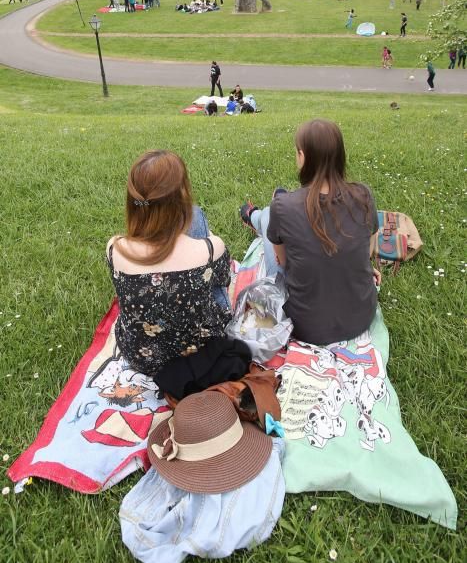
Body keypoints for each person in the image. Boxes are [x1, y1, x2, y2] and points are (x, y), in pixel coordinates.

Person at [240, 119, 381, 345]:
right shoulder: (363, 195)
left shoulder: (284, 207)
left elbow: (283, 263)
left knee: (269, 217)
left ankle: (254, 216)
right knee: (275, 211)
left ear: (303, 156)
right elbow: (368, 247)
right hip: (361, 316)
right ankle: (256, 215)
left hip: (307, 326)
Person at [106, 150, 239, 388]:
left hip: (142, 357)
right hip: (201, 351)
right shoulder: (211, 249)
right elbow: (222, 281)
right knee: (197, 219)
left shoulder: (115, 249)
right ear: (182, 196)